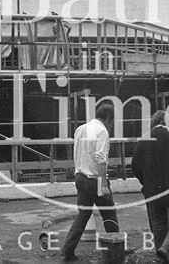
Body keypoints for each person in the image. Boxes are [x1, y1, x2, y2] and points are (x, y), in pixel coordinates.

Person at [61, 104, 118, 261]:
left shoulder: (80, 129)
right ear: (107, 118)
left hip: (80, 176)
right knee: (109, 214)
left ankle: (67, 249)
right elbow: (101, 159)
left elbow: (76, 152)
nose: (111, 126)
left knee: (83, 214)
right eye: (111, 122)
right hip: (95, 179)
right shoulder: (102, 131)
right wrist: (104, 184)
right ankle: (116, 251)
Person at [132, 111, 169, 264]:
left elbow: (135, 166)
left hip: (152, 191)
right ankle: (167, 248)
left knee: (158, 223)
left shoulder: (143, 138)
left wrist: (146, 182)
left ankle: (161, 257)